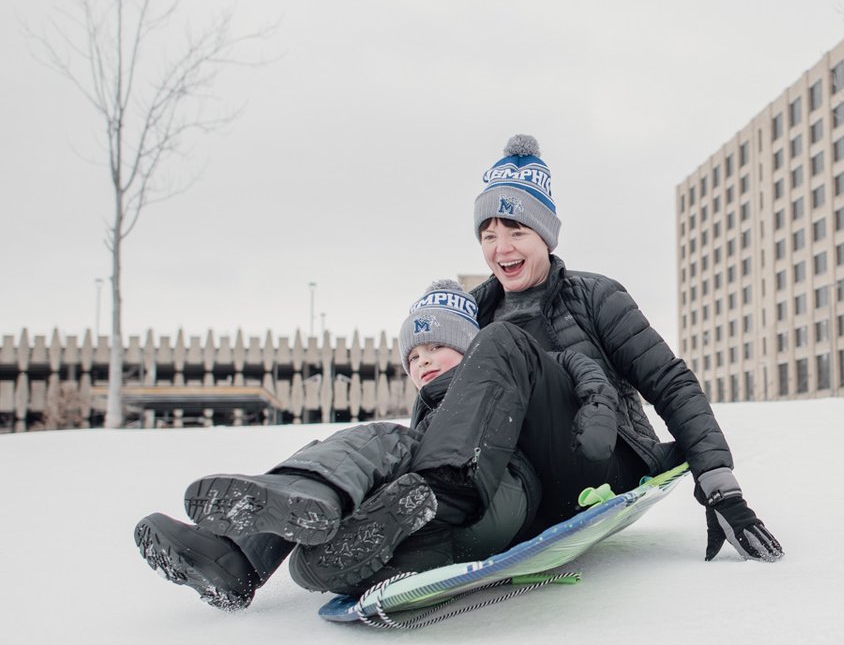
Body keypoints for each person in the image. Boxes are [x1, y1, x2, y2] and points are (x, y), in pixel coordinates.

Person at [134, 278, 619, 609]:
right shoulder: (424, 416)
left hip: (500, 489)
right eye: (414, 355)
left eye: (438, 347)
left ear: (470, 348)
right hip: (442, 527)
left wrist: (600, 410)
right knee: (312, 561)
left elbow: (582, 373)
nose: (424, 361)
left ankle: (314, 497)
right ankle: (236, 561)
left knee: (381, 442)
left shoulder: (508, 372)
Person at [419, 134, 783, 562]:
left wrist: (720, 487)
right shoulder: (475, 313)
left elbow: (669, 381)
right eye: (488, 236)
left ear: (546, 236)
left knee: (502, 345)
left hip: (602, 460)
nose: (502, 249)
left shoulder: (594, 297)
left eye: (517, 232)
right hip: (515, 475)